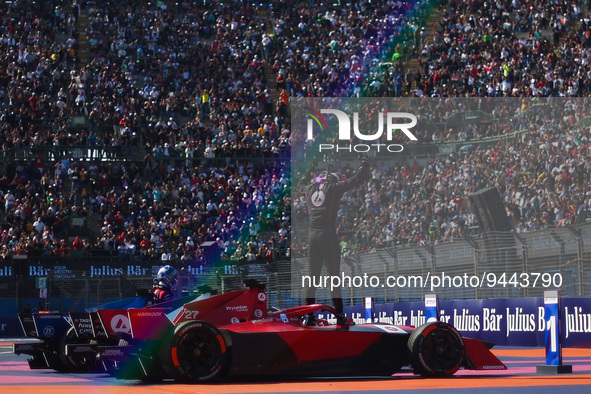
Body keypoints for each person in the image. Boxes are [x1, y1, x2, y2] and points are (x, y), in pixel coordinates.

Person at [297, 155, 370, 326]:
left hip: (312, 235)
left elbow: (299, 184)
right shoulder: (333, 187)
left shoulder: (309, 188)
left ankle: (309, 316)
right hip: (327, 234)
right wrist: (364, 164)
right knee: (333, 277)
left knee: (312, 277)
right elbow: (356, 179)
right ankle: (339, 315)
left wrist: (309, 170)